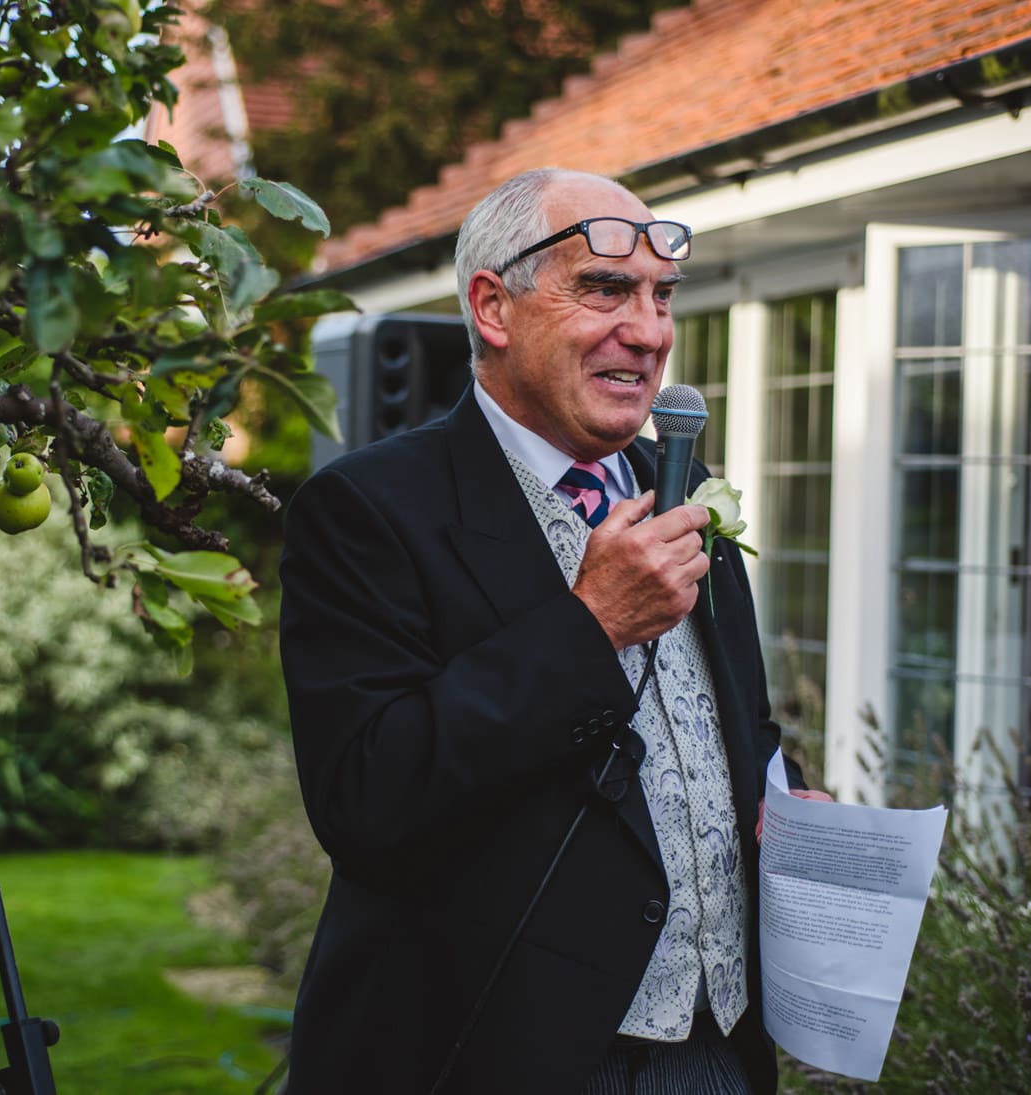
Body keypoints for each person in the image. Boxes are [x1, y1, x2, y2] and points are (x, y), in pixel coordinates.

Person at [278, 168, 822, 1095]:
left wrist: (782, 799)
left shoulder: (686, 491)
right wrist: (591, 623)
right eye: (606, 288)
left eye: (662, 296)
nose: (649, 332)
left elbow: (735, 729)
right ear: (494, 307)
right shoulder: (369, 508)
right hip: (510, 1055)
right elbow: (368, 801)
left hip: (716, 1052)